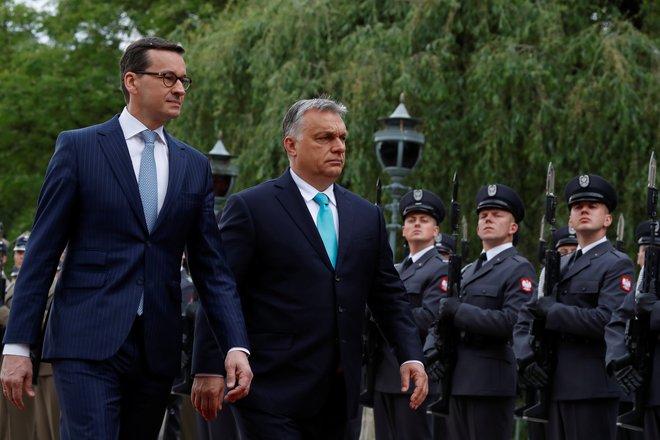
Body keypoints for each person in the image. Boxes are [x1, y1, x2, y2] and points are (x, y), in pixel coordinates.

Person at [0, 36, 252, 439]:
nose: (180, 89)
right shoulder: (79, 148)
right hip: (84, 341)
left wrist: (235, 345)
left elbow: (213, 270)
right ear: (132, 81)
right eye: (168, 77)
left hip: (156, 348)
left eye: (185, 80)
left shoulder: (194, 166)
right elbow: (43, 253)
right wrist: (17, 347)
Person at [191, 97, 428, 439]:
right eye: (325, 138)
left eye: (342, 138)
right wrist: (208, 367)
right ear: (291, 145)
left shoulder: (366, 216)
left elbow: (389, 296)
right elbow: (219, 289)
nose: (338, 147)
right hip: (268, 388)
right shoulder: (253, 208)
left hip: (339, 392)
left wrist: (411, 356)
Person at [515, 174, 634, 440]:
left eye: (592, 206)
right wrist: (524, 355)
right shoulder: (559, 266)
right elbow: (526, 314)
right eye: (577, 206)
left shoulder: (616, 263)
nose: (583, 210)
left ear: (607, 220)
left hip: (591, 387)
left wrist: (554, 312)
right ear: (570, 219)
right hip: (553, 385)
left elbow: (609, 320)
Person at [426, 183, 536, 440]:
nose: (488, 218)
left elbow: (513, 322)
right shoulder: (466, 271)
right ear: (476, 228)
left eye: (497, 215)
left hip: (490, 383)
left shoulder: (519, 268)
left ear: (513, 227)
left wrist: (460, 312)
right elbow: (441, 317)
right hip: (458, 380)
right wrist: (431, 348)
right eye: (483, 215)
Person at [372, 189, 447, 440]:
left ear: (436, 232)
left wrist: (385, 316)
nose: (416, 224)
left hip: (416, 374)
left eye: (424, 220)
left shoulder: (440, 269)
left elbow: (430, 317)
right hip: (385, 374)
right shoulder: (395, 270)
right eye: (411, 220)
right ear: (403, 230)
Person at [605, 220, 659, 440]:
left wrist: (654, 310)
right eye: (646, 251)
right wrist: (618, 357)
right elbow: (617, 321)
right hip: (646, 392)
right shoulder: (642, 288)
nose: (650, 257)